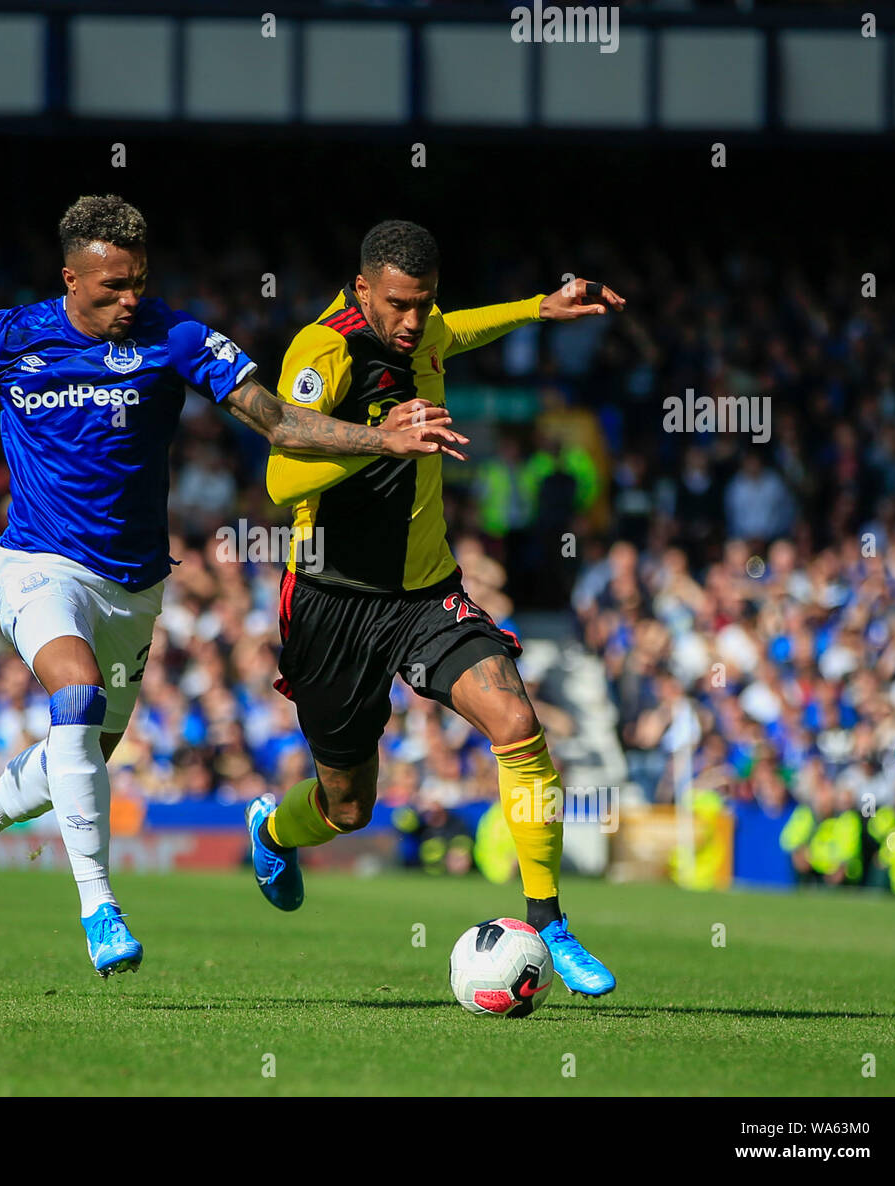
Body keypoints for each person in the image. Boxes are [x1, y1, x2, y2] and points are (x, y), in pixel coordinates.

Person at [0, 195, 466, 979]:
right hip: (38, 566)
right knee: (76, 698)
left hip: (134, 586)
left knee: (82, 752)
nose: (130, 300)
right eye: (112, 288)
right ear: (71, 279)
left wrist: (382, 436)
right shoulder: (10, 335)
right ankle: (100, 906)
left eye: (138, 283)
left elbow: (278, 422)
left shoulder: (178, 336)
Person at [244, 219, 622, 996]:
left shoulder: (427, 333)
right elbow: (281, 483)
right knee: (348, 808)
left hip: (425, 593)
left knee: (517, 723)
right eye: (399, 305)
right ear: (363, 290)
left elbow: (460, 329)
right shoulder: (325, 351)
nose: (414, 322)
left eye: (425, 303)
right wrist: (382, 438)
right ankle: (274, 831)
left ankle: (549, 920)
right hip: (331, 600)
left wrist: (538, 310)